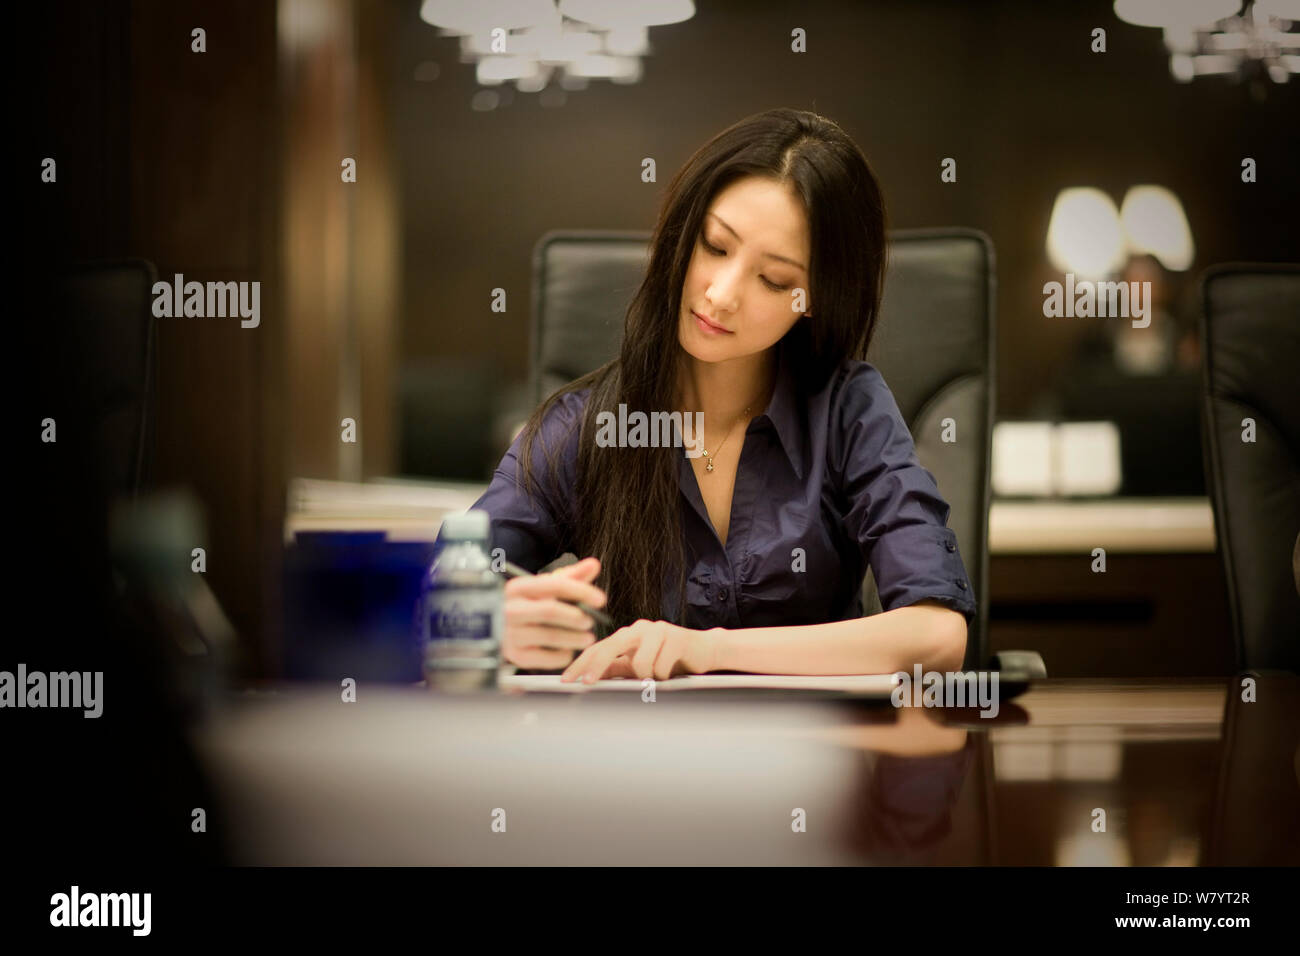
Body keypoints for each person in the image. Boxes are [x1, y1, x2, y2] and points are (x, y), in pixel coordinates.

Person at [470, 108, 975, 683]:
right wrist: (489, 616)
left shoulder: (847, 412)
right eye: (715, 246)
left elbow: (937, 635)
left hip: (821, 761)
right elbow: (442, 591)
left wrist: (707, 651)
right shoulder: (588, 424)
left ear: (812, 301)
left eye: (775, 280)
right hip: (635, 762)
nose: (723, 294)